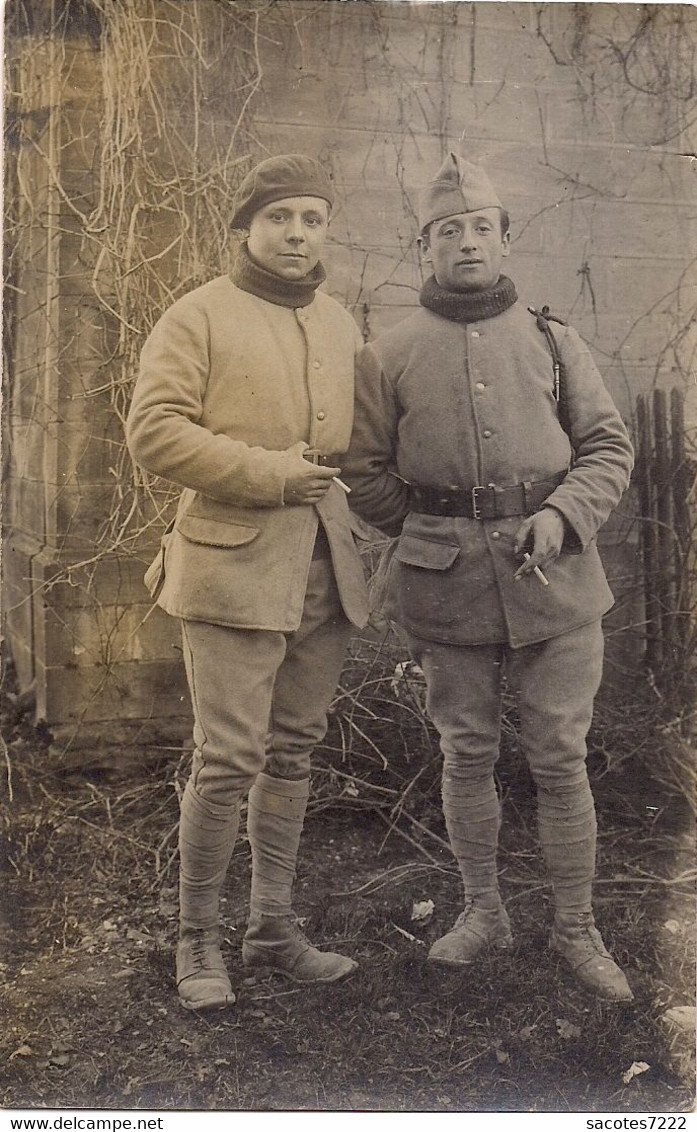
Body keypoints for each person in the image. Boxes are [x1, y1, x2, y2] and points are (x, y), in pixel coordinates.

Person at [343, 153, 635, 1001]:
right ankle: (483, 912)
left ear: (504, 241)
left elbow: (609, 447)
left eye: (479, 228)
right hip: (444, 588)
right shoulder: (385, 354)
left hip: (558, 582)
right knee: (464, 752)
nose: (464, 242)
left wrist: (561, 515)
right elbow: (363, 472)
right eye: (446, 232)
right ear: (421, 249)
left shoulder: (554, 340)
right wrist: (432, 532)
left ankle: (576, 932)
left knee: (558, 756)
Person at [126, 154, 369, 1011]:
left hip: (323, 572)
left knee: (293, 752)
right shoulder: (197, 314)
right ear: (244, 230)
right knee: (227, 759)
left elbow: (363, 444)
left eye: (311, 218)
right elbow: (153, 431)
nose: (296, 233)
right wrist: (268, 473)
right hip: (230, 568)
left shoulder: (340, 322)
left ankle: (272, 928)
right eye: (278, 218)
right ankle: (195, 941)